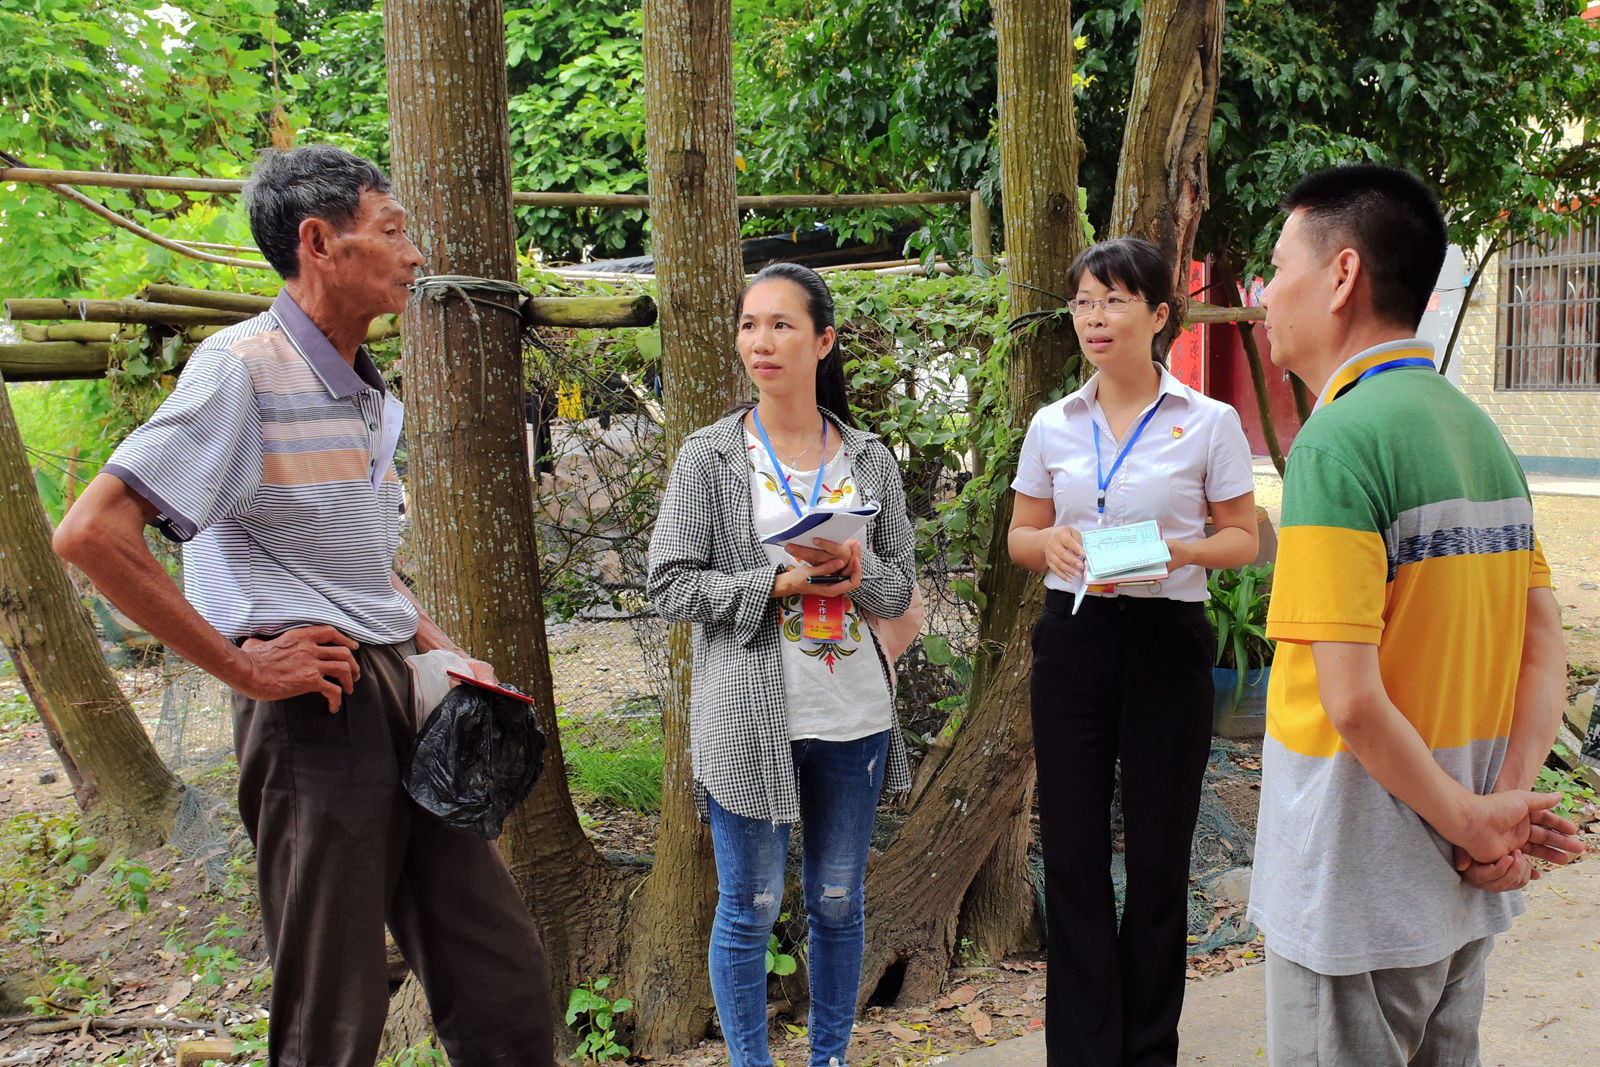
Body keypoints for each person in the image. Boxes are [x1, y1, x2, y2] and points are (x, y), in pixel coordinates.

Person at [53, 145, 556, 1067]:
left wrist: (444, 652)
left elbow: (362, 566)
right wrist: (245, 666)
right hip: (312, 707)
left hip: (399, 686)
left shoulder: (365, 391)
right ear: (319, 242)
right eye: (393, 231)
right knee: (334, 1009)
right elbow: (91, 533)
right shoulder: (241, 369)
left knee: (505, 986)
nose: (413, 256)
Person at [1248, 163, 1585, 1065]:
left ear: (1343, 274)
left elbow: (1350, 700)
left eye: (1278, 266)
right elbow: (1541, 650)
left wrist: (1480, 823)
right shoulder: (1480, 433)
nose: (1261, 294)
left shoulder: (1337, 442)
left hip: (1354, 891)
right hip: (1457, 889)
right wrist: (1496, 811)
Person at [646, 262, 917, 1067]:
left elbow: (903, 578)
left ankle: (829, 1055)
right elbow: (669, 581)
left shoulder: (866, 457)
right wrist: (775, 582)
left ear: (823, 340)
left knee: (837, 898)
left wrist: (860, 572)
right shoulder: (710, 457)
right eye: (749, 325)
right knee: (751, 904)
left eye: (781, 325)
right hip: (746, 717)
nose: (760, 341)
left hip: (854, 714)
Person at [1007, 236, 1259, 1066]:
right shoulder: (1053, 422)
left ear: (1159, 314)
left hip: (1165, 644)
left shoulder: (1207, 421)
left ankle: (1150, 1049)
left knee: (1158, 858)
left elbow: (1241, 539)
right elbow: (1019, 535)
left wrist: (1177, 551)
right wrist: (1052, 545)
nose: (1094, 317)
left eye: (1114, 300)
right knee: (1074, 854)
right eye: (1083, 301)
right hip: (1074, 639)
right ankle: (1083, 1052)